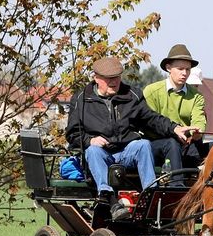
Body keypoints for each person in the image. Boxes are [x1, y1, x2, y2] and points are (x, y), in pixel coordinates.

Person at [66, 56, 195, 219]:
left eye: (117, 77)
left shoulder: (131, 95)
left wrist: (174, 128)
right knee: (92, 150)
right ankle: (109, 197)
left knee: (143, 144)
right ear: (96, 78)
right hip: (101, 154)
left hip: (126, 152)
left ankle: (151, 194)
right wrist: (90, 140)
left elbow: (152, 119)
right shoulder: (81, 99)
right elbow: (72, 134)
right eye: (109, 78)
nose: (114, 82)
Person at [143, 44, 208, 175]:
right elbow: (149, 123)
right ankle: (177, 186)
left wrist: (197, 132)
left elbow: (199, 121)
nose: (185, 73)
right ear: (168, 68)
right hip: (156, 145)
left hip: (186, 145)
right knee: (172, 144)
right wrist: (176, 132)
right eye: (180, 69)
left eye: (188, 69)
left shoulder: (197, 96)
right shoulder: (151, 91)